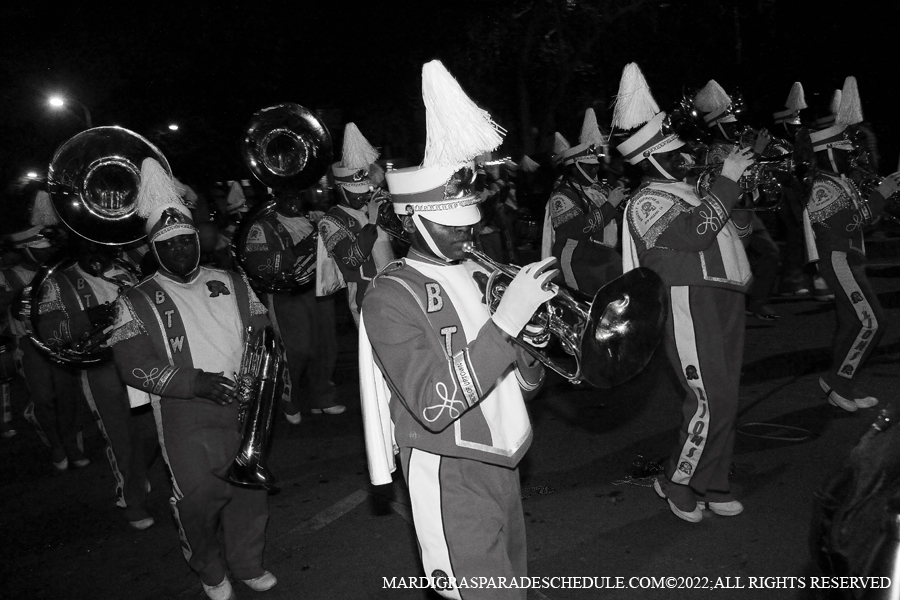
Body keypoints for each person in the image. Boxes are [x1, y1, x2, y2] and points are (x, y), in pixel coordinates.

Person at [360, 60, 552, 600]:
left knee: (513, 582)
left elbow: (522, 386)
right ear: (412, 220)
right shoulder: (389, 296)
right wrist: (506, 325)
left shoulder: (476, 270)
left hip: (505, 455)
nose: (468, 235)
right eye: (452, 225)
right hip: (447, 466)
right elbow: (433, 403)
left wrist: (532, 339)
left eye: (470, 222)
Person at [109, 157, 276, 600]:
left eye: (186, 241)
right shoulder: (134, 300)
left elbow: (261, 332)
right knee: (198, 496)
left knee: (249, 490)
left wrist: (258, 375)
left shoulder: (232, 280)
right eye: (169, 245)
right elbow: (132, 364)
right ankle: (209, 567)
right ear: (154, 248)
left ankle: (248, 562)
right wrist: (194, 382)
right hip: (185, 409)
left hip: (243, 402)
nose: (181, 250)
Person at [614, 63, 755, 523]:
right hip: (686, 301)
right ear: (651, 159)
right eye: (673, 154)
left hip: (723, 297)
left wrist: (739, 192)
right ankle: (676, 481)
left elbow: (739, 233)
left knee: (726, 397)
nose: (685, 157)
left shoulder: (690, 190)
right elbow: (695, 235)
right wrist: (726, 181)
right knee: (707, 398)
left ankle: (712, 482)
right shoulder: (646, 200)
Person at [36, 240, 159, 529]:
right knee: (121, 437)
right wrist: (87, 318)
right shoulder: (58, 283)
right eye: (87, 245)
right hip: (100, 368)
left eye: (99, 244)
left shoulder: (128, 270)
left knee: (151, 433)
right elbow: (48, 332)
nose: (94, 251)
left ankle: (135, 477)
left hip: (140, 361)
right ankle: (134, 502)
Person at [803, 76, 899, 412]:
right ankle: (839, 383)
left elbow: (862, 221)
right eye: (845, 152)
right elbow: (852, 223)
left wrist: (881, 198)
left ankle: (838, 382)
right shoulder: (822, 186)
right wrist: (881, 195)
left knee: (851, 323)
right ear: (829, 152)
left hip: (850, 260)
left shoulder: (839, 181)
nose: (852, 157)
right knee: (872, 322)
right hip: (839, 261)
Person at [241, 184, 344, 422]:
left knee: (325, 346)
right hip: (287, 295)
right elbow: (255, 263)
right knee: (296, 350)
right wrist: (295, 251)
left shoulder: (311, 220)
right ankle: (289, 400)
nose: (293, 201)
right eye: (287, 196)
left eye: (297, 195)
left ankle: (323, 399)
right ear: (276, 197)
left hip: (318, 290)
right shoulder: (262, 226)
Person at [5, 193, 87, 469]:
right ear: (26, 248)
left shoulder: (61, 271)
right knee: (44, 399)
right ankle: (56, 444)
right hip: (29, 345)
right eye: (42, 247)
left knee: (68, 396)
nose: (48, 252)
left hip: (61, 340)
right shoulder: (8, 274)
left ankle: (72, 444)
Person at [695, 79, 781, 320]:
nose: (736, 129)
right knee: (734, 263)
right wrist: (758, 152)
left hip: (747, 211)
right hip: (730, 215)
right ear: (716, 127)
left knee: (771, 253)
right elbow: (738, 180)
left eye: (734, 125)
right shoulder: (716, 153)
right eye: (729, 126)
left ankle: (757, 302)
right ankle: (731, 308)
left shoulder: (734, 147)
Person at [318, 122, 396, 325]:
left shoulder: (370, 207)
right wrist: (372, 221)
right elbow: (351, 259)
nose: (362, 197)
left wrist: (396, 216)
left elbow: (402, 243)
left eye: (364, 192)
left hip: (393, 286)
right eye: (356, 194)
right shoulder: (331, 220)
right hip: (366, 294)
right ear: (340, 189)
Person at [542, 108, 626, 295]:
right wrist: (610, 205)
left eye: (596, 167)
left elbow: (612, 223)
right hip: (577, 260)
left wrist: (622, 206)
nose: (595, 171)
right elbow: (576, 229)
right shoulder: (561, 196)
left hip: (602, 259)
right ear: (574, 168)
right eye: (589, 168)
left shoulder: (598, 190)